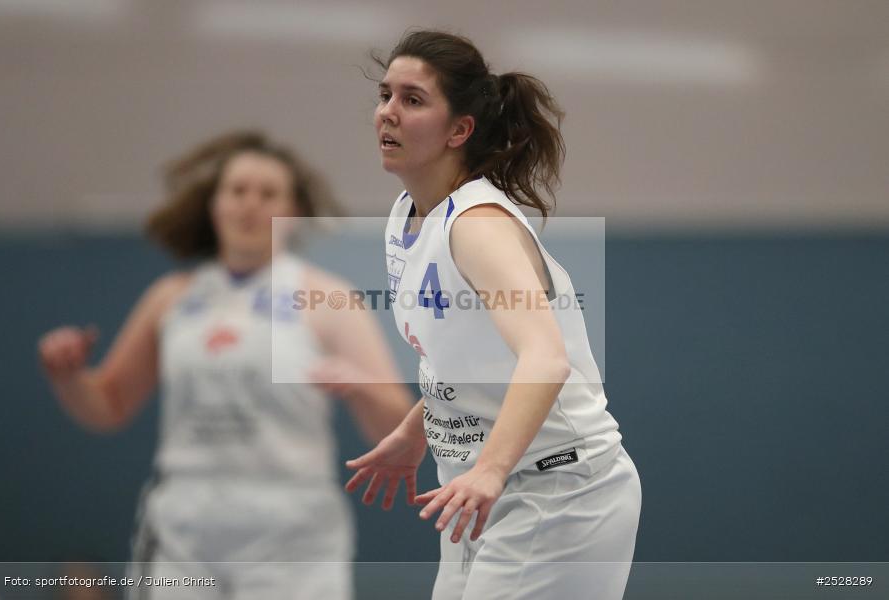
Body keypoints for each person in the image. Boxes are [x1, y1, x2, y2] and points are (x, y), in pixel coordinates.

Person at [37, 130, 413, 600]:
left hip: (291, 525)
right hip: (186, 522)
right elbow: (108, 406)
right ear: (214, 205)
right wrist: (69, 376)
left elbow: (399, 427)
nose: (250, 205)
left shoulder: (330, 298)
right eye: (237, 191)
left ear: (293, 212)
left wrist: (363, 387)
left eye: (268, 193)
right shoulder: (171, 298)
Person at [345, 31, 641, 600]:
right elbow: (461, 358)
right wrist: (419, 431)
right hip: (480, 495)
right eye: (385, 95)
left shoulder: (477, 224)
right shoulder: (407, 216)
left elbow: (545, 358)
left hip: (559, 491)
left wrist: (489, 469)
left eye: (412, 99)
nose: (387, 113)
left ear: (459, 130)